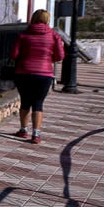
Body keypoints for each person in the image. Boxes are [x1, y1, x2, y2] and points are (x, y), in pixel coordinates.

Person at [11, 9, 65, 144]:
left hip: (23, 73)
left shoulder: (23, 35)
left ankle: (23, 130)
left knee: (25, 102)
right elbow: (60, 56)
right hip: (44, 74)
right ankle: (36, 134)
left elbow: (14, 55)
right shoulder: (54, 35)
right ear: (47, 20)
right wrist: (48, 59)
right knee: (38, 103)